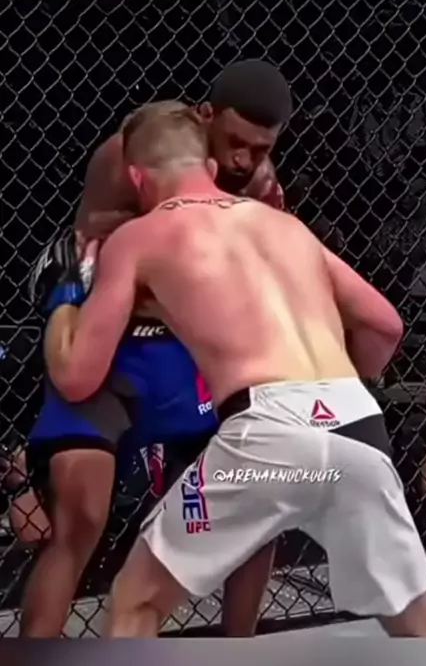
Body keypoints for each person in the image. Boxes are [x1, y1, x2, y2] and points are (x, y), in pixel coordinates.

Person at [33, 102, 426, 638]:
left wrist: (65, 299)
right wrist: (341, 386)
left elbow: (77, 378)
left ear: (137, 178)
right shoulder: (288, 228)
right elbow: (386, 325)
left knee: (137, 601)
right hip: (358, 424)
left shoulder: (138, 238)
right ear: (209, 168)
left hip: (266, 434)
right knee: (423, 625)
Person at [20, 60, 292, 637]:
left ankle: (240, 649)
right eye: (236, 142)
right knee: (80, 514)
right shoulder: (131, 153)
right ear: (206, 115)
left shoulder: (260, 186)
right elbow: (90, 239)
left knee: (258, 505)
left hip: (189, 351)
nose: (244, 160)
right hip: (112, 343)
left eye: (260, 148)